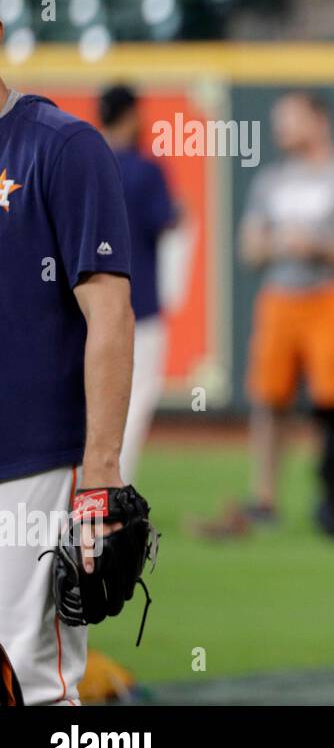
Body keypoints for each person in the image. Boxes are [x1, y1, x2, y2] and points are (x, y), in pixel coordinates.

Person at [0, 25, 136, 705]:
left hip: (35, 464)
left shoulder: (60, 146)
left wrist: (102, 474)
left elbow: (110, 313)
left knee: (34, 682)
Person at [237, 91, 334, 524]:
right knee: (269, 399)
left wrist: (320, 247)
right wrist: (277, 244)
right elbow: (249, 249)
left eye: (290, 118)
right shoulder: (272, 180)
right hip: (280, 298)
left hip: (330, 297)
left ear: (319, 120)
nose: (280, 128)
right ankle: (264, 496)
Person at [97, 85, 182, 485]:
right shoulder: (146, 171)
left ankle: (83, 491)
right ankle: (114, 492)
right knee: (132, 403)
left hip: (88, 308)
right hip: (139, 307)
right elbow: (168, 221)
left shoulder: (86, 166)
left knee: (91, 402)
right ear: (130, 115)